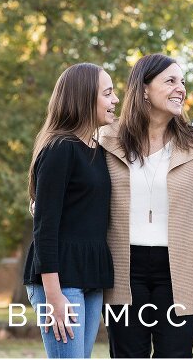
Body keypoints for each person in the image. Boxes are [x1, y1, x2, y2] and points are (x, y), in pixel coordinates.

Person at [99, 54, 193, 358]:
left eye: (183, 82)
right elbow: (75, 183)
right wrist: (38, 200)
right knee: (127, 354)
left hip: (179, 268)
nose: (181, 89)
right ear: (144, 89)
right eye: (171, 81)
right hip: (124, 267)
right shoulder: (107, 139)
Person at [23, 63, 120, 359]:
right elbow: (45, 228)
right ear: (84, 99)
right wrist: (53, 296)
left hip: (90, 275)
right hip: (60, 280)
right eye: (108, 93)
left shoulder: (96, 149)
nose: (115, 100)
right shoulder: (60, 149)